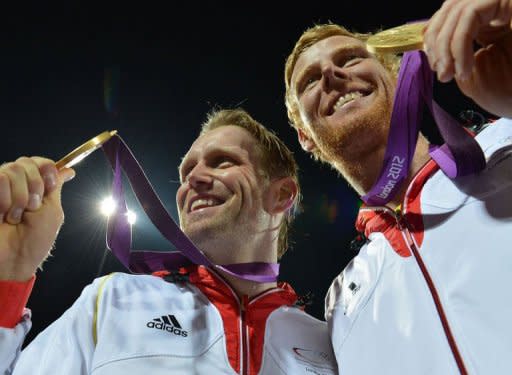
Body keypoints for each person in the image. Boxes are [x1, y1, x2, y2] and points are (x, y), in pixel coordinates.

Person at [0, 108, 337, 374]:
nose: (194, 180)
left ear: (281, 195)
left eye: (222, 162)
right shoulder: (113, 301)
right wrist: (8, 280)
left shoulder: (328, 344)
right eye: (186, 172)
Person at [284, 0, 512, 374]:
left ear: (395, 74)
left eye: (351, 58)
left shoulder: (504, 145)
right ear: (304, 136)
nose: (331, 73)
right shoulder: (340, 305)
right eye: (310, 80)